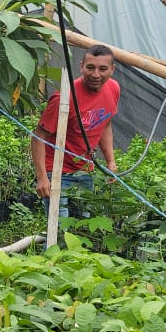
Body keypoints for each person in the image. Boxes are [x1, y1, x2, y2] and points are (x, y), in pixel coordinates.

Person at [30, 44, 120, 216]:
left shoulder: (113, 88)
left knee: (83, 224)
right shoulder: (64, 98)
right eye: (90, 67)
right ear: (81, 66)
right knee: (60, 226)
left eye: (102, 69)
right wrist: (42, 177)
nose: (96, 74)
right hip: (57, 171)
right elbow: (38, 137)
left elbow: (105, 124)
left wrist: (110, 161)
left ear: (112, 69)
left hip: (84, 171)